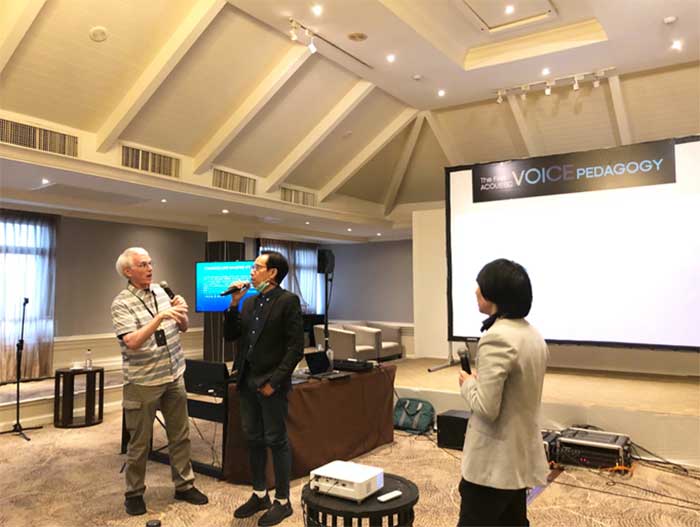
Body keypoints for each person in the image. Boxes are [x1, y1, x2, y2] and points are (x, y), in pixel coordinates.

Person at [111, 247, 208, 516]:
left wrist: (181, 312)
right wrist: (159, 318)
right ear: (128, 271)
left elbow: (183, 327)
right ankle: (134, 493)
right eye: (143, 264)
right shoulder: (121, 303)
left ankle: (184, 485)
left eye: (151, 263)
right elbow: (132, 342)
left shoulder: (162, 292)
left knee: (180, 435)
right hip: (143, 382)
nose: (150, 268)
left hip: (174, 375)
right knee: (140, 442)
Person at [457, 258, 549, 527]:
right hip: (517, 459)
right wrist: (481, 381)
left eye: (481, 286)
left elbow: (487, 408)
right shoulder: (532, 334)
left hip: (492, 465)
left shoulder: (497, 337)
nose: (476, 291)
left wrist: (467, 384)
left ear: (495, 294)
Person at [224, 250, 304, 526]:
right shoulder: (248, 302)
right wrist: (233, 304)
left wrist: (274, 382)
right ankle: (260, 494)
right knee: (253, 438)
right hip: (247, 382)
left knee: (276, 440)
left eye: (257, 267)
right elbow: (231, 335)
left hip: (271, 384)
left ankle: (283, 501)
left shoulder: (288, 301)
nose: (251, 271)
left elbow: (295, 349)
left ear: (272, 273)